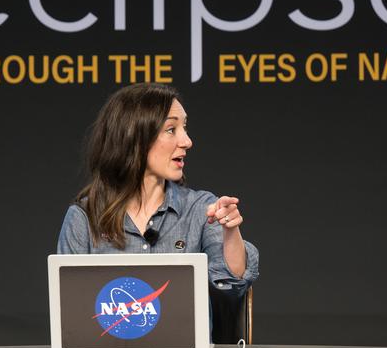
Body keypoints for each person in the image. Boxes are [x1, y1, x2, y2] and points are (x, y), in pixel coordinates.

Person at [56, 83, 258, 299]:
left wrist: (230, 231)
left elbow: (233, 284)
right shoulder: (84, 216)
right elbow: (70, 309)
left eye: (185, 128)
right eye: (171, 130)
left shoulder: (200, 209)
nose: (187, 141)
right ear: (135, 137)